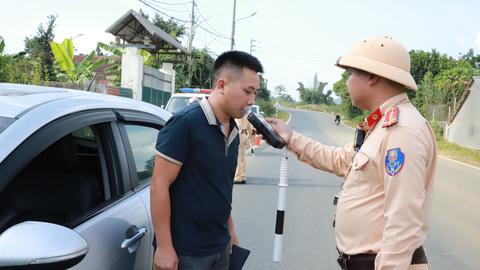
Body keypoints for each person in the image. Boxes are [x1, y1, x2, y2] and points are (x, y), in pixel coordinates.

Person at [267, 36, 437, 270]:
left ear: (373, 76)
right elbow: (340, 160)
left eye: (350, 74)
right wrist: (291, 138)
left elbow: (404, 221)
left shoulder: (401, 130)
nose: (347, 82)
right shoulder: (381, 126)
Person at [151, 50, 263, 270]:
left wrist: (230, 231)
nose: (251, 101)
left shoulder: (233, 129)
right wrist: (164, 247)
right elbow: (158, 185)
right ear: (221, 85)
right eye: (248, 92)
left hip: (220, 246)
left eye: (255, 93)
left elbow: (219, 186)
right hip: (185, 250)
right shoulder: (185, 123)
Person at [234, 114, 254, 184]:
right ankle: (243, 176)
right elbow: (251, 128)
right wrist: (250, 138)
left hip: (238, 135)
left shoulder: (237, 115)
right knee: (242, 157)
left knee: (238, 157)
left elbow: (238, 126)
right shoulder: (245, 115)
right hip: (244, 135)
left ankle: (238, 177)